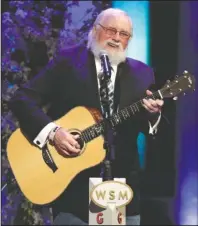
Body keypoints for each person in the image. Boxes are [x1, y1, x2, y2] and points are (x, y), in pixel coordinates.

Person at [9, 8, 164, 225]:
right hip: (74, 193)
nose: (117, 38)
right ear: (94, 30)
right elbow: (22, 99)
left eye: (124, 34)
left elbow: (151, 132)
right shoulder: (68, 62)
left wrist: (152, 115)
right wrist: (53, 133)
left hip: (121, 190)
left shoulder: (142, 74)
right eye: (111, 30)